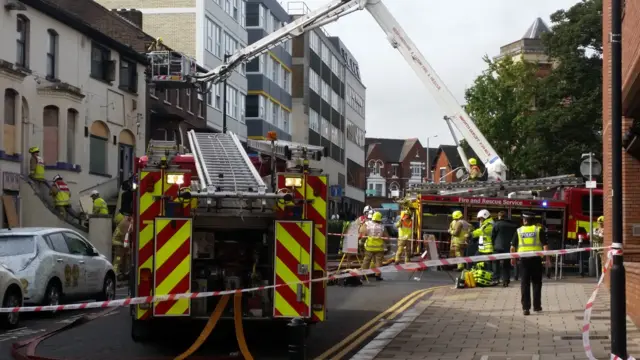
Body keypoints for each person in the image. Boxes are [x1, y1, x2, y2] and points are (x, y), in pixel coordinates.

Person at [511, 212, 549, 316]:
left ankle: (526, 308)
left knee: (525, 284)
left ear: (525, 220)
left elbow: (513, 247)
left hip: (524, 261)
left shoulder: (519, 231)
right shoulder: (538, 230)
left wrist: (513, 258)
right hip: (536, 260)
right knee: (537, 283)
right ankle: (537, 307)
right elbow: (545, 245)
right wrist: (547, 259)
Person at [491, 211, 518, 286]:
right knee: (506, 264)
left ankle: (496, 279)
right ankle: (506, 280)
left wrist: (493, 244)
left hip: (498, 247)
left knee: (495, 263)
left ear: (499, 216)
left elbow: (493, 236)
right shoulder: (513, 225)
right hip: (508, 247)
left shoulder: (497, 224)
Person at [359, 211, 388, 281]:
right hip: (379, 248)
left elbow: (363, 233)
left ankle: (363, 275)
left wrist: (361, 243)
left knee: (366, 261)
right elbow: (386, 237)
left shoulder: (367, 224)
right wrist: (388, 245)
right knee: (378, 262)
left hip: (369, 247)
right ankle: (378, 276)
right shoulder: (382, 227)